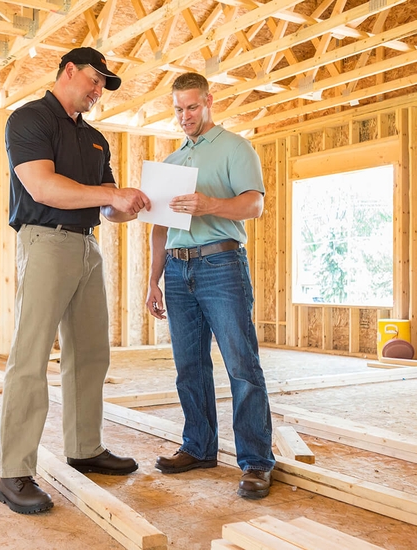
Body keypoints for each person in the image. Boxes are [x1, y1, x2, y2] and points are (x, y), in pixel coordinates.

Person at [0, 47, 151, 515]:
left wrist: (129, 205)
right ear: (69, 70)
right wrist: (109, 193)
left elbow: (105, 206)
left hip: (87, 247)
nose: (98, 90)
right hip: (45, 241)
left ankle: (85, 448)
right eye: (95, 80)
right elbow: (43, 187)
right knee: (31, 357)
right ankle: (14, 473)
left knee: (89, 354)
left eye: (103, 84)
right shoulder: (29, 120)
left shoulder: (96, 139)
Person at [146, 72, 275, 499]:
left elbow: (253, 204)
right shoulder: (171, 161)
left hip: (221, 262)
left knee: (241, 363)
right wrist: (153, 280)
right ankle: (199, 447)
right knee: (189, 366)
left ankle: (256, 461)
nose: (185, 116)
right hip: (178, 273)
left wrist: (210, 205)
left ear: (209, 102)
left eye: (192, 107)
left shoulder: (236, 147)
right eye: (178, 109)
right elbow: (160, 227)